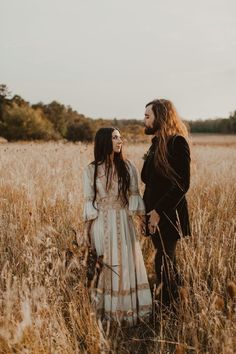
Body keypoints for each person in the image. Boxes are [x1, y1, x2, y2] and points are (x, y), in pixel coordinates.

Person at [83, 127, 152, 326]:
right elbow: (89, 202)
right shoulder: (90, 170)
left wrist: (141, 222)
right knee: (106, 267)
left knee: (126, 265)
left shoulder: (128, 166)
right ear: (104, 141)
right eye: (115, 137)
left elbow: (134, 196)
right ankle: (107, 314)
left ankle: (128, 313)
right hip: (101, 223)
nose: (120, 141)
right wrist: (86, 231)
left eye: (120, 137)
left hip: (123, 221)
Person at [141, 99, 191, 308]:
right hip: (153, 213)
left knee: (165, 262)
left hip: (169, 214)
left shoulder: (177, 142)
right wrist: (146, 213)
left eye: (147, 116)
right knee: (164, 261)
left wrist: (158, 212)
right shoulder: (156, 143)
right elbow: (149, 181)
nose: (144, 120)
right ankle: (173, 303)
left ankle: (170, 309)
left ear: (160, 117)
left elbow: (182, 184)